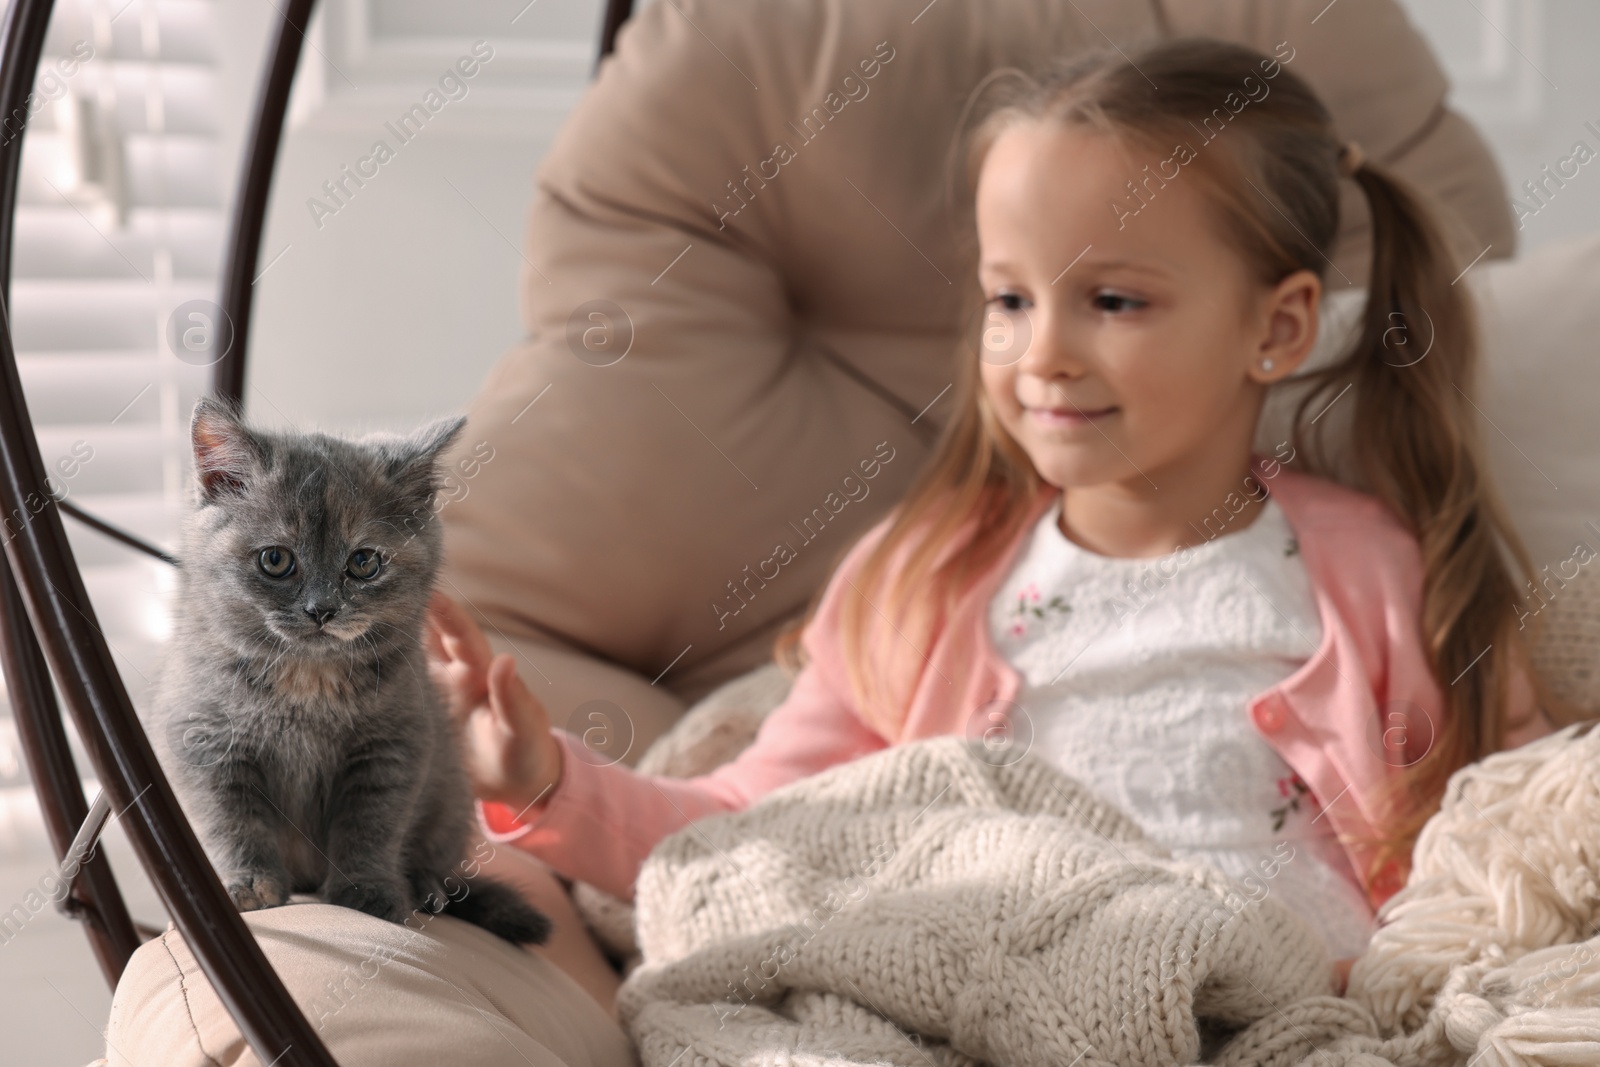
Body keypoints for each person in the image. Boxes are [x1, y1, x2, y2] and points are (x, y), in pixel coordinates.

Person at [425, 36, 1580, 1015]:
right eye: (1009, 299)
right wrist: (543, 782)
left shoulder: (1372, 572)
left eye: (1113, 300)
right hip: (1001, 986)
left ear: (1274, 330)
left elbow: (1511, 830)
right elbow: (748, 833)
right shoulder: (925, 580)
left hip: (1272, 1005)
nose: (1043, 354)